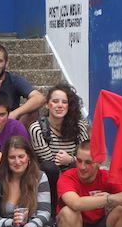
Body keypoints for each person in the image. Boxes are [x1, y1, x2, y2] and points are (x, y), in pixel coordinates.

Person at [29, 83, 89, 211]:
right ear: (47, 104)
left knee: (77, 165)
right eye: (55, 101)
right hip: (49, 178)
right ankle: (51, 210)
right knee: (49, 168)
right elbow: (51, 162)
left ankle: (79, 205)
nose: (60, 105)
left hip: (73, 173)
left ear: (69, 105)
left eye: (64, 102)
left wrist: (71, 160)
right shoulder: (37, 128)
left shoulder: (79, 127)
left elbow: (87, 155)